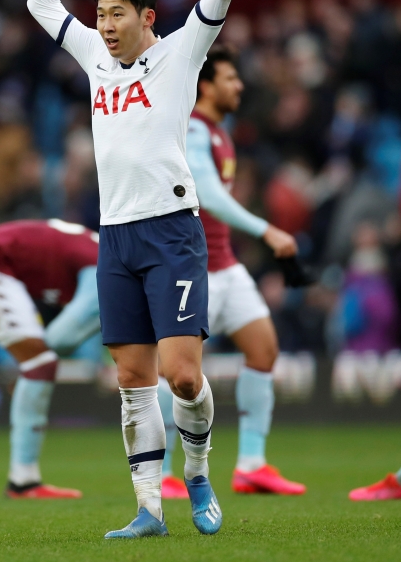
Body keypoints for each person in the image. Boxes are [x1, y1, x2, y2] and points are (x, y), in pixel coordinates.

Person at [27, 0, 234, 538]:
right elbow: (38, 3)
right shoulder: (93, 56)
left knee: (182, 375)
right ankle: (149, 508)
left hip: (173, 232)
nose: (105, 25)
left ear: (147, 16)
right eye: (100, 14)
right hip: (115, 237)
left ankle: (197, 472)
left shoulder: (180, 53)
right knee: (131, 377)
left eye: (116, 14)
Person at [158, 46, 305, 499]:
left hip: (226, 265)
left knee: (263, 350)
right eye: (230, 78)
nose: (239, 86)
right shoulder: (194, 129)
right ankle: (164, 471)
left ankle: (251, 465)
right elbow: (207, 195)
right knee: (176, 374)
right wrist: (268, 231)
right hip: (191, 269)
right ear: (205, 84)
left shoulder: (222, 132)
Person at [0, 219, 102, 499]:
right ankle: (22, 482)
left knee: (39, 363)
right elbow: (64, 337)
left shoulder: (99, 251)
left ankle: (24, 480)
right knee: (40, 362)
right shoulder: (107, 265)